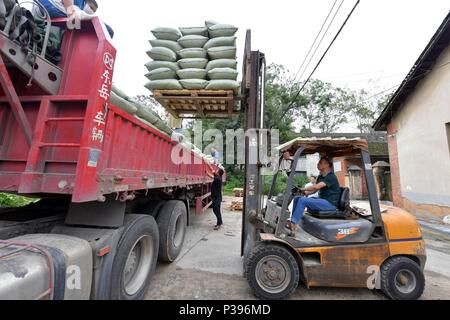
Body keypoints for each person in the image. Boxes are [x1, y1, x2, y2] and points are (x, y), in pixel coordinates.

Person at [288, 157, 341, 231]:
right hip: (322, 201)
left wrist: (302, 189)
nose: (318, 164)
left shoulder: (331, 177)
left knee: (303, 200)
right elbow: (314, 191)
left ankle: (293, 223)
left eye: (320, 163)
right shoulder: (320, 176)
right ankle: (293, 220)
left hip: (329, 204)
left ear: (327, 165)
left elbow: (316, 187)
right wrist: (303, 192)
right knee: (297, 198)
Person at [37, 0, 114, 38]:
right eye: (91, 8)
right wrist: (72, 13)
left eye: (94, 11)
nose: (92, 11)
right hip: (50, 7)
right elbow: (73, 13)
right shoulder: (80, 3)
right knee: (107, 30)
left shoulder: (81, 5)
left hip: (48, 11)